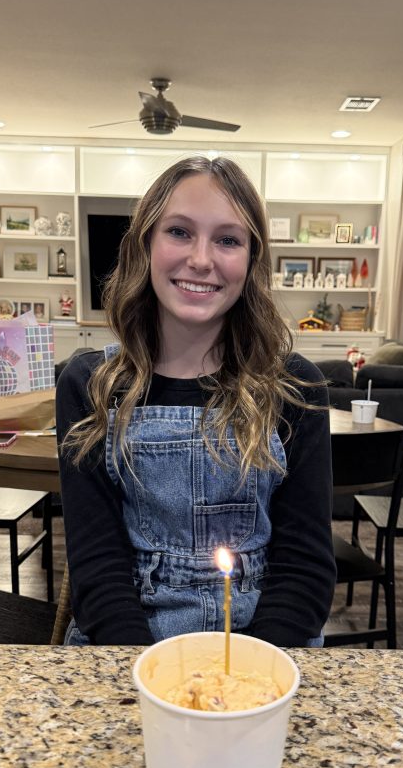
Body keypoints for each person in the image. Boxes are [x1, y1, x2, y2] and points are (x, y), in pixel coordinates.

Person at [57, 155, 335, 647]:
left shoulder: (295, 387)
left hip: (263, 647)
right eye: (180, 232)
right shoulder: (90, 384)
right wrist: (146, 674)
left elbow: (304, 567)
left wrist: (254, 674)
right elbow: (96, 566)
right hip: (128, 649)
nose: (202, 259)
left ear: (251, 260)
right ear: (145, 243)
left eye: (228, 240)